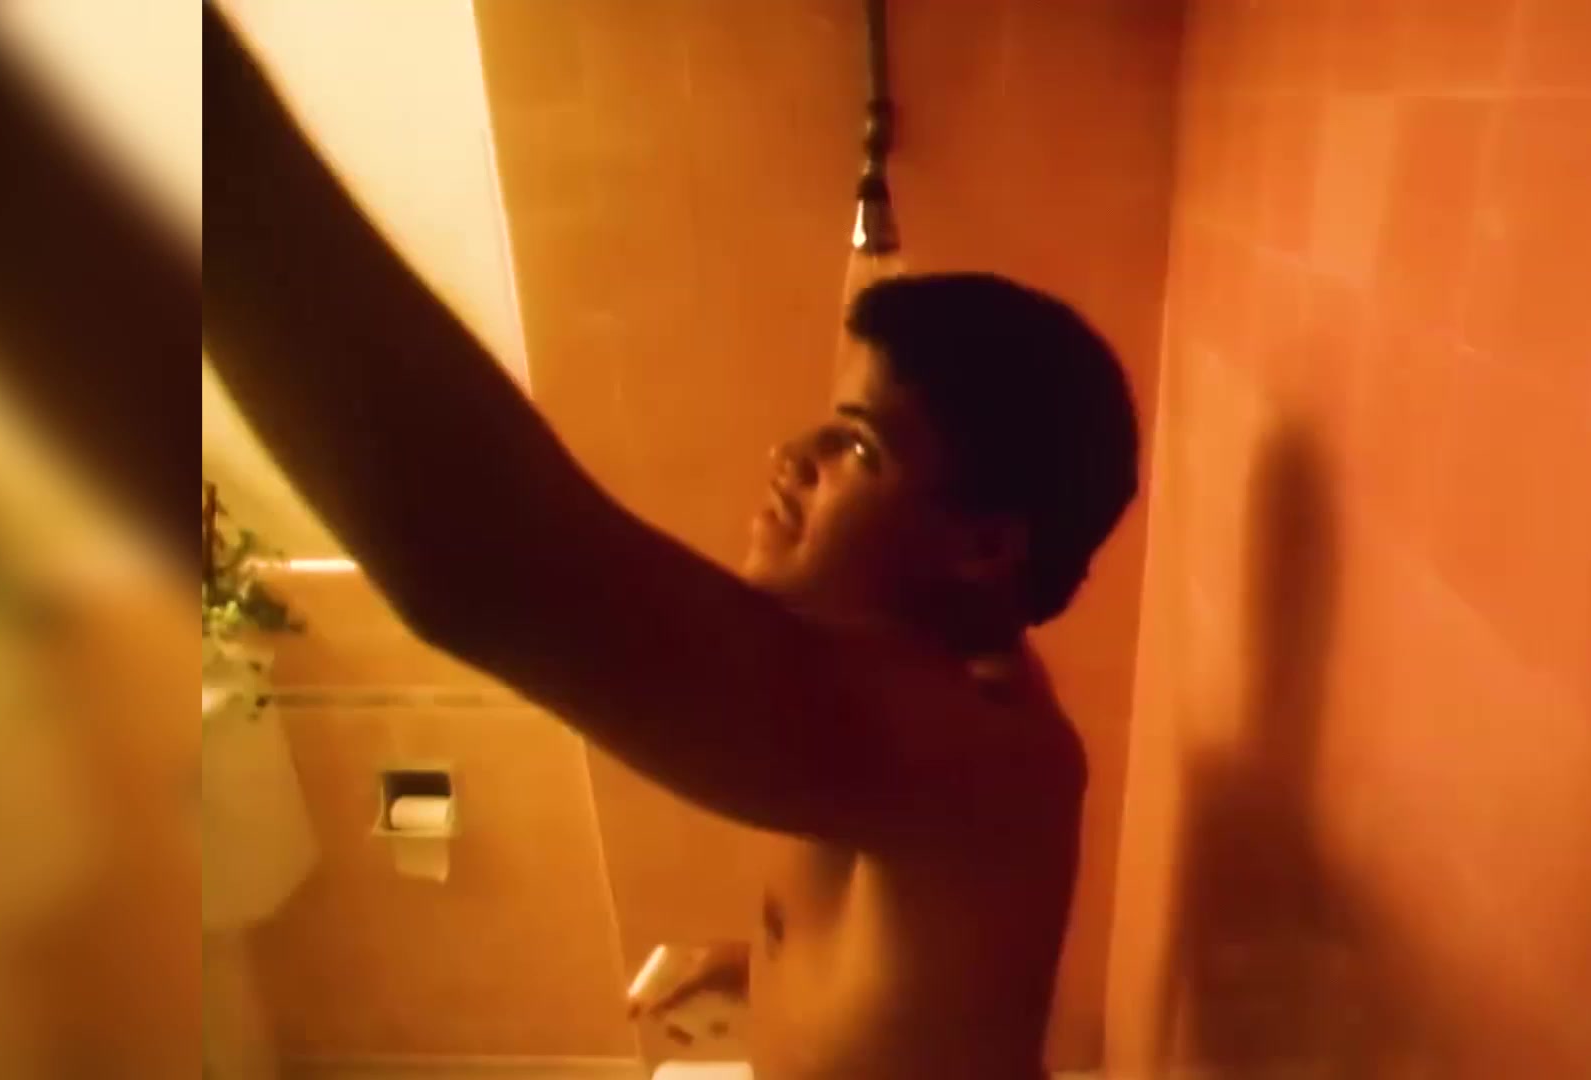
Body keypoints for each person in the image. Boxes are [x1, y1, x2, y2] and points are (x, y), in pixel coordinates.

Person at [199, 8, 1138, 1078]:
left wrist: (208, 134)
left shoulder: (984, 756)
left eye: (858, 447)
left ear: (983, 546)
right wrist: (751, 965)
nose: (791, 455)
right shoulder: (895, 706)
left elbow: (487, 568)